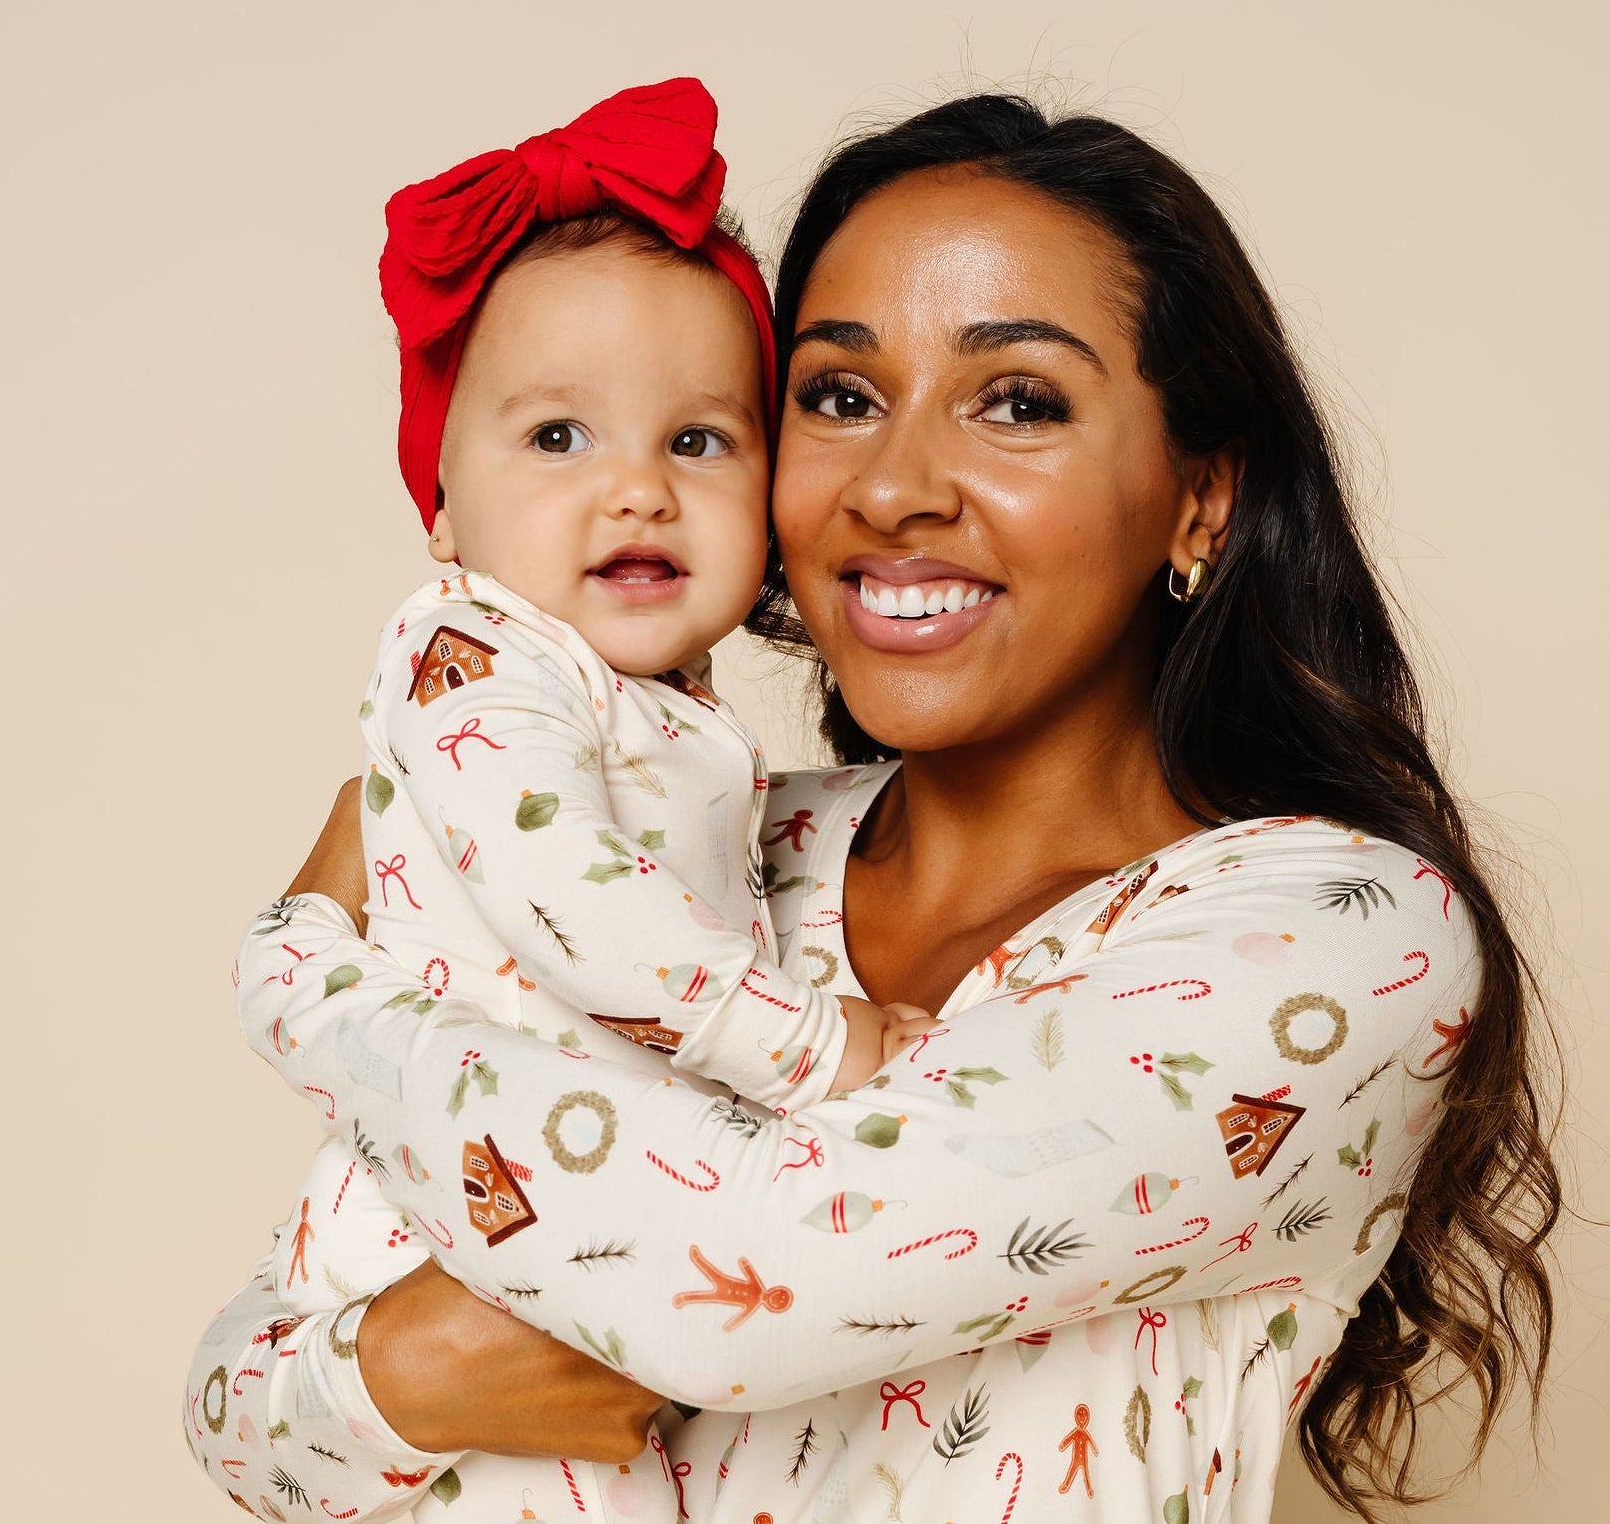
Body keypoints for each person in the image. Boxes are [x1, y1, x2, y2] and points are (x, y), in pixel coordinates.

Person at [186, 93, 1559, 1524]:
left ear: (1199, 498)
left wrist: (306, 984)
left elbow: (745, 1289)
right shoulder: (685, 859)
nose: (895, 487)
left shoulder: (1329, 940)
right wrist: (387, 1380)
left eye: (1018, 401)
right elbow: (232, 1399)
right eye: (839, 398)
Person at [233, 77, 941, 1524]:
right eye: (557, 438)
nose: (634, 490)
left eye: (697, 440)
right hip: (451, 1236)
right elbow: (580, 911)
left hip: (569, 1228)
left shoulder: (663, 719)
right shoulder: (475, 661)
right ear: (440, 506)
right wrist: (809, 1046)